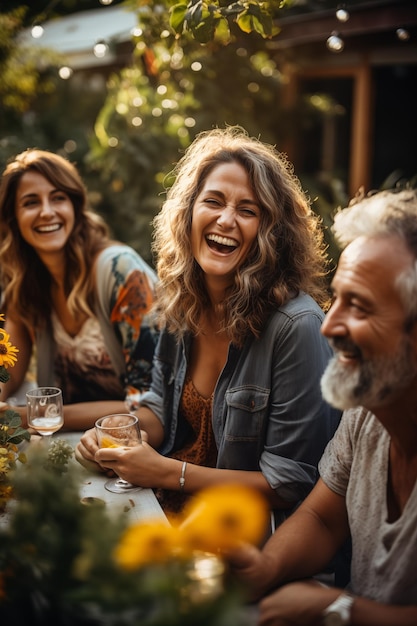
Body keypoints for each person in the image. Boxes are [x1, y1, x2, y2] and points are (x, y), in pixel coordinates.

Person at [76, 125, 340, 523]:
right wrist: (116, 439)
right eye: (213, 201)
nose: (226, 219)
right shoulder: (180, 300)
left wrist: (167, 472)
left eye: (248, 210)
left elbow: (290, 483)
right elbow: (160, 411)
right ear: (188, 213)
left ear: (273, 232)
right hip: (160, 509)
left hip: (238, 539)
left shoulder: (296, 327)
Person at [227, 188, 417, 625]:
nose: (329, 326)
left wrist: (337, 608)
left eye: (360, 307)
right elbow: (321, 517)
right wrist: (267, 568)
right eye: (338, 299)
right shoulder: (368, 409)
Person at [0, 149, 158, 430]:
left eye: (58, 198)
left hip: (141, 448)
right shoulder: (26, 287)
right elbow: (6, 374)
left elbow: (149, 405)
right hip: (66, 450)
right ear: (13, 217)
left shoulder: (121, 271)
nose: (47, 212)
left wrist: (34, 416)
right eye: (30, 202)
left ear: (75, 205)